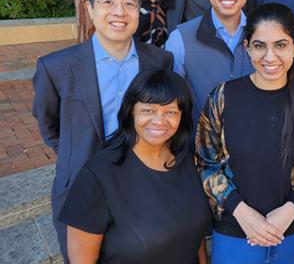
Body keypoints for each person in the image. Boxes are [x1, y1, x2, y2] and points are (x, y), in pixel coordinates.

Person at [32, 0, 173, 259]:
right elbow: (49, 126)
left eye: (130, 3)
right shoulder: (56, 67)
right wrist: (76, 153)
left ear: (140, 10)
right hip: (82, 185)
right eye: (108, 2)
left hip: (143, 186)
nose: (119, 12)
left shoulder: (159, 61)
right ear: (90, 8)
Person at [195, 3, 294, 264]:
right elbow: (205, 162)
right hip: (235, 234)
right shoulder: (223, 96)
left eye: (280, 45)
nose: (270, 57)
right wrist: (243, 213)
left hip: (292, 234)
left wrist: (291, 208)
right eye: (259, 46)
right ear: (247, 47)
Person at [59, 69, 211, 263]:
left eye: (171, 112)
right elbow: (82, 260)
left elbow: (195, 236)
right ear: (131, 110)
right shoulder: (98, 176)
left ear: (182, 116)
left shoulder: (188, 161)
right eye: (148, 110)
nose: (159, 121)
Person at [166, 0, 254, 124]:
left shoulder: (263, 36)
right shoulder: (180, 39)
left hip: (255, 145)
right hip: (200, 146)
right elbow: (171, 101)